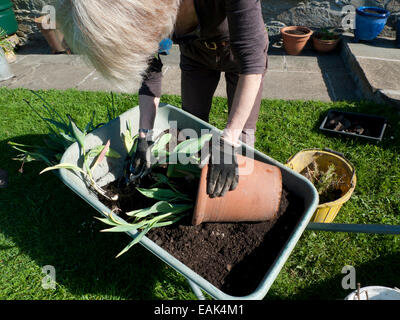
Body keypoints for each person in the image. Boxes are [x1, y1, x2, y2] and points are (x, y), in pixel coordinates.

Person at [57, 0, 269, 198]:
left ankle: (239, 195)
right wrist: (144, 136)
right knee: (192, 125)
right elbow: (150, 73)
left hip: (241, 58)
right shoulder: (141, 12)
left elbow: (252, 64)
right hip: (196, 56)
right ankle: (194, 183)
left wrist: (229, 143)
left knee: (242, 138)